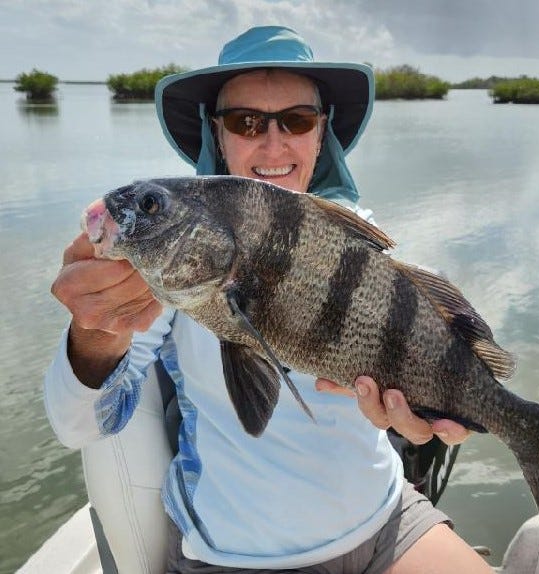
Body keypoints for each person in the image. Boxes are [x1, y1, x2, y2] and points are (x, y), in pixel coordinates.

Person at [45, 26, 492, 573]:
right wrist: (94, 330)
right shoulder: (177, 260)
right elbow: (77, 426)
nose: (274, 144)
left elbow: (431, 351)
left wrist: (445, 411)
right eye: (247, 122)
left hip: (390, 519)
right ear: (219, 133)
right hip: (240, 557)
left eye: (297, 120)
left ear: (321, 132)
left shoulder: (362, 245)